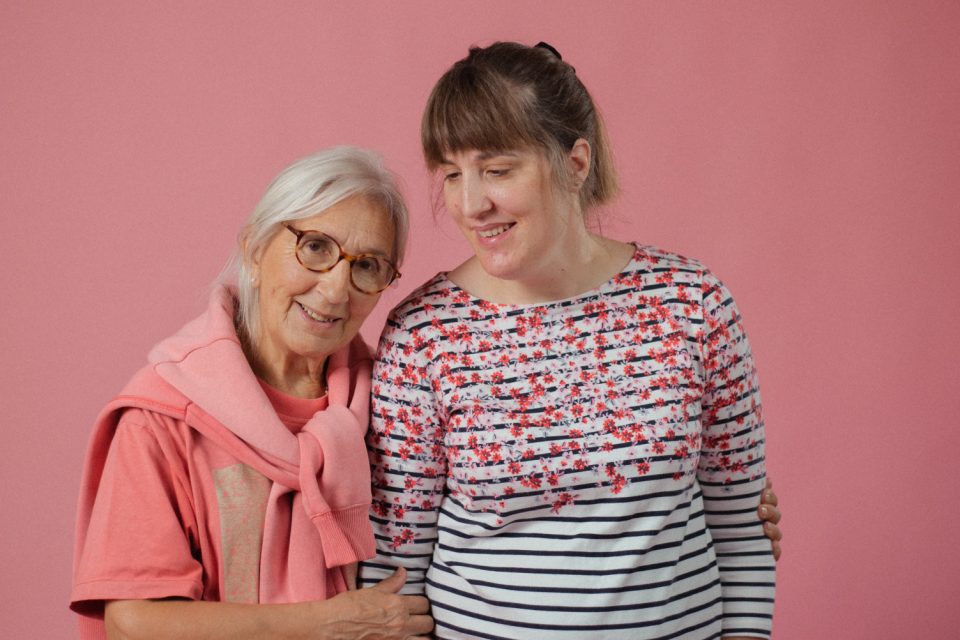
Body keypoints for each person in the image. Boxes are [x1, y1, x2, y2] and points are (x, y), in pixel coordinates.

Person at [361, 42, 777, 639]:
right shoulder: (423, 335)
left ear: (575, 163)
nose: (471, 204)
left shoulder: (693, 304)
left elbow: (743, 534)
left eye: (498, 169)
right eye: (452, 174)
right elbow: (391, 572)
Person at [71, 147, 434, 639]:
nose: (335, 291)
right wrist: (327, 625)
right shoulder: (163, 416)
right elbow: (134, 623)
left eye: (367, 266)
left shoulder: (397, 398)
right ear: (255, 249)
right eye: (315, 247)